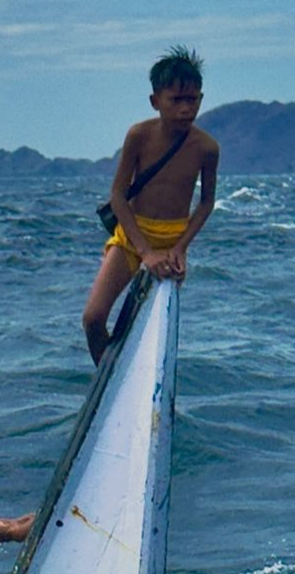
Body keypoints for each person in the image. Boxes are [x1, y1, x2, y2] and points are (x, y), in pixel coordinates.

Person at [82, 45, 220, 365]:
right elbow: (118, 196)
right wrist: (144, 252)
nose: (185, 108)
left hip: (173, 240)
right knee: (92, 318)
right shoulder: (139, 136)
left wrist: (181, 248)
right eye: (176, 100)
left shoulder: (207, 148)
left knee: (153, 326)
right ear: (155, 101)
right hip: (133, 237)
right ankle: (106, 375)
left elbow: (206, 203)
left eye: (193, 100)